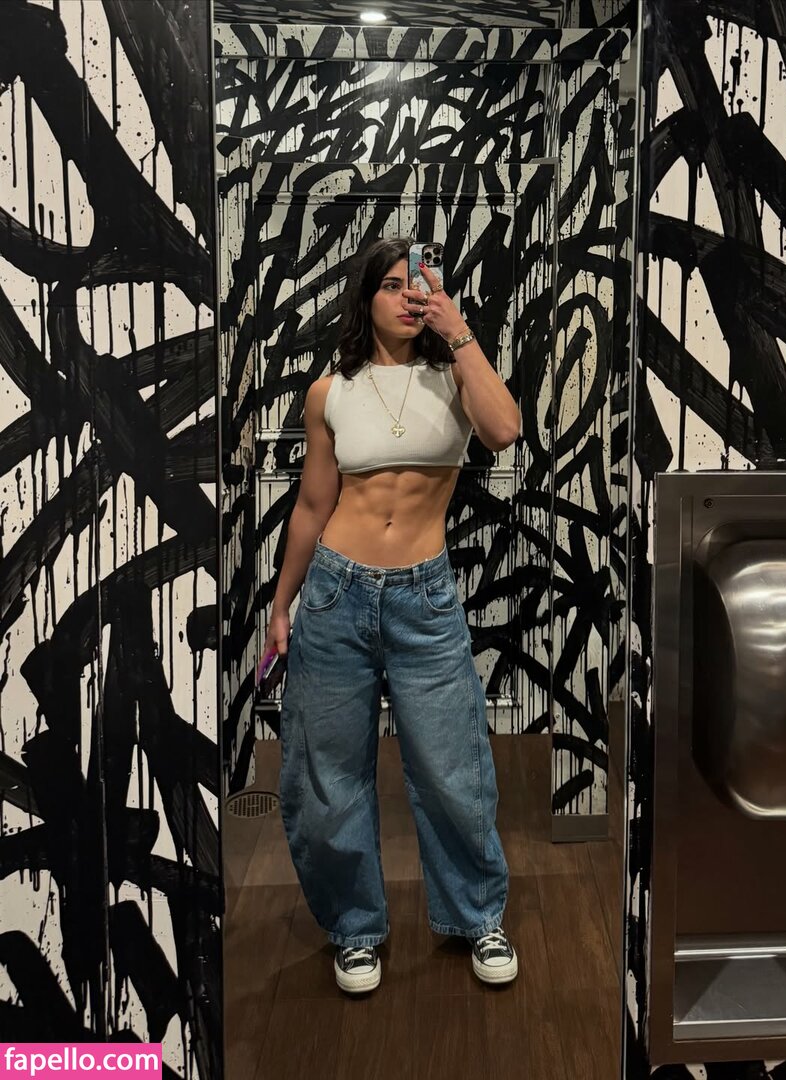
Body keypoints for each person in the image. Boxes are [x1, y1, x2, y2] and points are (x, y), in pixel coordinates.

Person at [264, 237, 522, 994]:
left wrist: (459, 329)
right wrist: (280, 604)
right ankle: (355, 928)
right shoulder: (330, 392)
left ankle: (477, 916)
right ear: (365, 298)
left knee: (452, 768)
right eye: (393, 285)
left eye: (421, 285)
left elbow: (505, 430)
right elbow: (312, 506)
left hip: (424, 597)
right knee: (328, 774)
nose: (410, 296)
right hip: (335, 594)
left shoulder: (455, 377)